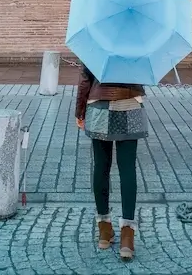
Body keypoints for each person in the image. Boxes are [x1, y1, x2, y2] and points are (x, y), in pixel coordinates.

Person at [75, 62, 148, 260]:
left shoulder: (96, 38)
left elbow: (85, 80)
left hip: (98, 105)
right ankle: (127, 238)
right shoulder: (138, 42)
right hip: (131, 104)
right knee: (127, 169)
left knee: (101, 166)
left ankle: (104, 232)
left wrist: (79, 111)